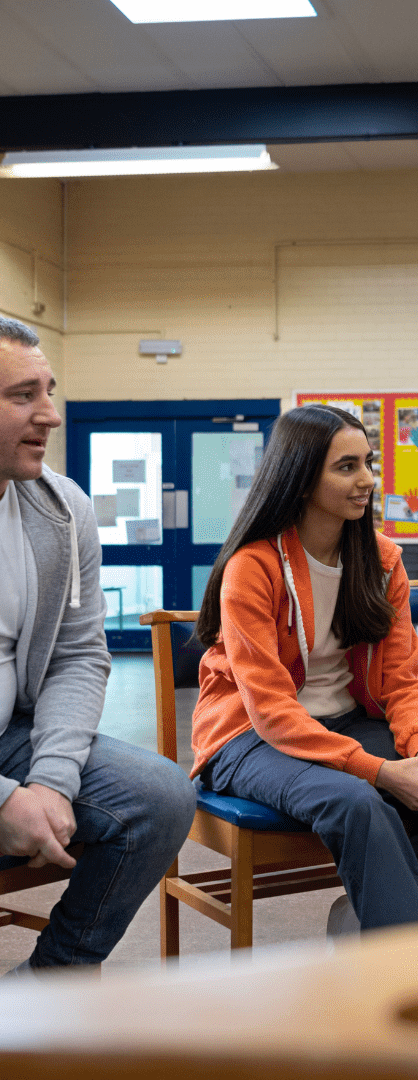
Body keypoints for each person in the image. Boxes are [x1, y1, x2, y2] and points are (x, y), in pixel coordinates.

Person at [191, 404, 418, 931]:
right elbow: (269, 709)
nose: (367, 480)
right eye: (346, 467)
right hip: (247, 738)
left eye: (369, 462)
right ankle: (407, 977)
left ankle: (375, 928)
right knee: (358, 800)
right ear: (300, 476)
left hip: (343, 724)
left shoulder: (382, 561)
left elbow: (403, 680)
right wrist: (383, 772)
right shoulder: (252, 566)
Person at [0, 315, 195, 973]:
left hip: (12, 736)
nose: (50, 415)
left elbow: (78, 654)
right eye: (23, 395)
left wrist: (51, 781)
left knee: (159, 796)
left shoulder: (62, 509)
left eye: (48, 390)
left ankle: (51, 984)